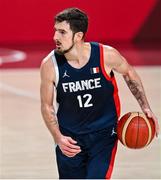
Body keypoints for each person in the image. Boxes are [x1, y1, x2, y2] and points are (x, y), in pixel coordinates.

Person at [40, 7, 159, 179]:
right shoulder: (50, 65)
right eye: (55, 31)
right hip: (70, 139)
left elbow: (129, 74)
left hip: (103, 135)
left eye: (62, 32)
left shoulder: (106, 55)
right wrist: (57, 137)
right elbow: (47, 105)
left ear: (78, 36)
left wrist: (145, 107)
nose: (55, 37)